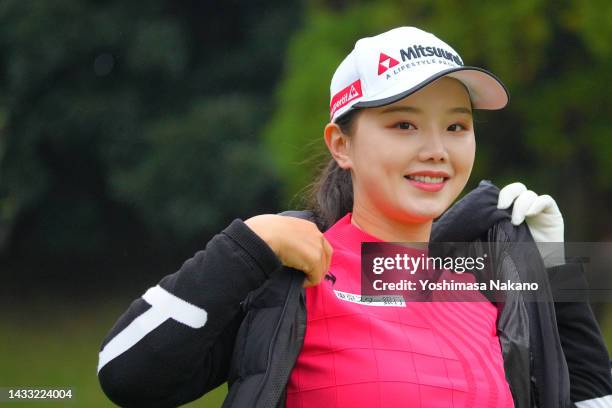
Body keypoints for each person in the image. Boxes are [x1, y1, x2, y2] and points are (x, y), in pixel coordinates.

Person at [97, 27, 612, 407]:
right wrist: (247, 244)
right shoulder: (293, 277)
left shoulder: (482, 286)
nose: (436, 150)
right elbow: (126, 372)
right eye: (404, 124)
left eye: (457, 127)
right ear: (341, 143)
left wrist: (553, 275)